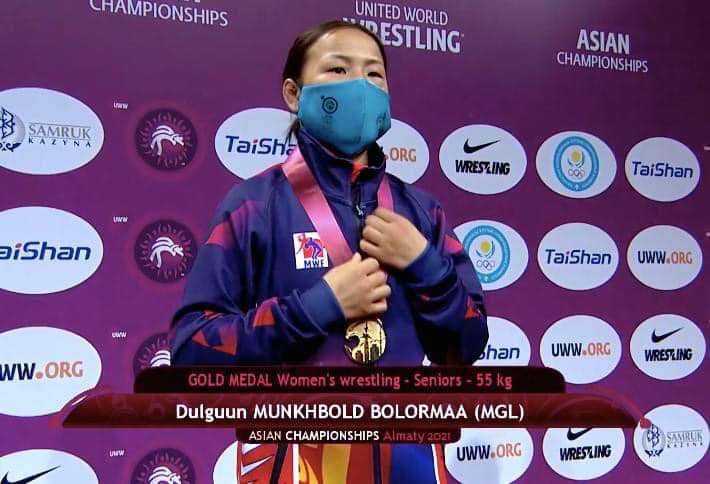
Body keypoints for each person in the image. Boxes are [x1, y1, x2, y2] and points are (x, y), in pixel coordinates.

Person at [170, 19, 488, 484]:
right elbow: (191, 352)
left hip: (407, 466)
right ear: (294, 94)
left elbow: (468, 345)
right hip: (291, 467)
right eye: (338, 70)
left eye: (374, 74)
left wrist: (426, 267)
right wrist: (317, 308)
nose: (360, 85)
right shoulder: (254, 206)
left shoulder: (422, 212)